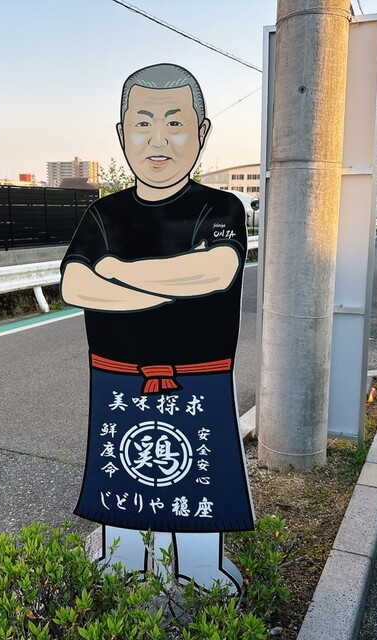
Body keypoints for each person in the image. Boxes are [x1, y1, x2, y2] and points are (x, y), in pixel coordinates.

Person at [61, 63, 254, 592]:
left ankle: (199, 567)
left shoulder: (220, 206)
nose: (157, 139)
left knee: (198, 477)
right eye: (143, 124)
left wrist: (117, 270)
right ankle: (123, 560)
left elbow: (216, 270)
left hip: (201, 376)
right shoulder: (104, 213)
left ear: (202, 132)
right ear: (122, 134)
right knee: (122, 474)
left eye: (174, 123)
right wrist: (170, 286)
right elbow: (75, 285)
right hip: (117, 374)